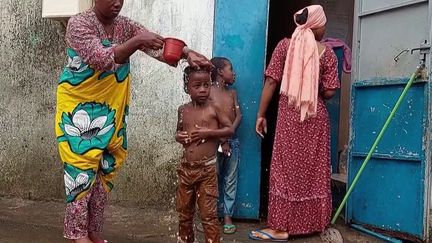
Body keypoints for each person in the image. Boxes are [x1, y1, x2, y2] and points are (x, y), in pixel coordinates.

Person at [55, 0, 212, 242]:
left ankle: (94, 230)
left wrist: (187, 53)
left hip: (111, 111)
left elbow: (157, 46)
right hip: (78, 110)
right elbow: (102, 59)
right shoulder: (79, 24)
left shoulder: (124, 25)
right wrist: (137, 42)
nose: (118, 3)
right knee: (81, 172)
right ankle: (78, 235)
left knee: (104, 171)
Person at [250, 5, 340, 241]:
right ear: (315, 26)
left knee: (285, 168)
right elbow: (330, 91)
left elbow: (271, 82)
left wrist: (260, 114)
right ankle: (312, 224)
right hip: (315, 116)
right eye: (323, 24)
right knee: (314, 170)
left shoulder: (284, 46)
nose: (324, 28)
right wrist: (313, 86)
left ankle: (280, 227)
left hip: (289, 117)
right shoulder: (327, 53)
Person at [175, 66, 234, 243]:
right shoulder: (183, 110)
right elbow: (178, 132)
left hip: (207, 171)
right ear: (187, 88)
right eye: (197, 85)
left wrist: (207, 133)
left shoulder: (214, 108)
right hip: (186, 170)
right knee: (184, 214)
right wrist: (179, 137)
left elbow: (229, 129)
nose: (202, 89)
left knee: (208, 216)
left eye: (206, 85)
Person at [210, 57, 242, 234]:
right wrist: (223, 140)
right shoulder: (209, 93)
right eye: (230, 68)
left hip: (232, 141)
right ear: (221, 72)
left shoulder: (232, 93)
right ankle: (211, 216)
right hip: (214, 143)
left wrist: (229, 134)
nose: (234, 72)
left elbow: (239, 116)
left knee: (230, 179)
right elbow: (211, 119)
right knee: (212, 179)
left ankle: (227, 216)